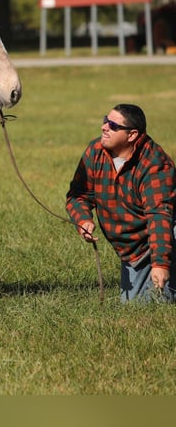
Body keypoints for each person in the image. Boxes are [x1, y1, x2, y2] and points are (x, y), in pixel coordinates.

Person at [66, 103, 176, 303]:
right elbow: (77, 195)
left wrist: (161, 263)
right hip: (132, 252)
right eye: (105, 121)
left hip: (162, 239)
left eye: (113, 126)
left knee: (160, 304)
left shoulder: (155, 164)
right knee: (134, 306)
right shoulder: (95, 151)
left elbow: (159, 216)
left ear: (132, 135)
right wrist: (83, 220)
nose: (104, 127)